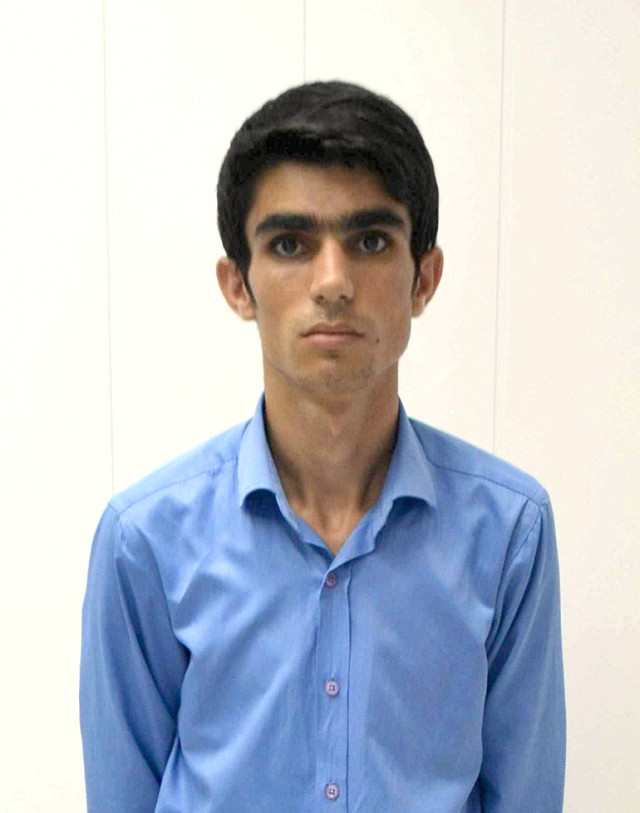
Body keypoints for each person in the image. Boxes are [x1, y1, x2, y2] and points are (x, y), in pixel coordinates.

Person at [80, 81, 565, 812]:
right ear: (238, 286)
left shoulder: (508, 532)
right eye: (290, 244)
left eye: (370, 241)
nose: (333, 282)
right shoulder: (144, 540)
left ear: (424, 279)